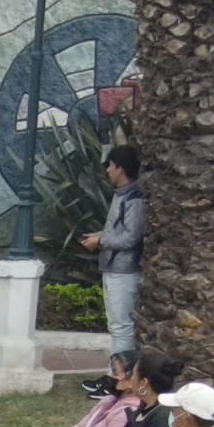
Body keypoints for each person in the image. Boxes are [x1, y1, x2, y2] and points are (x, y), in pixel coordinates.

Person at [80, 146, 143, 358]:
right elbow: (117, 230)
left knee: (121, 327)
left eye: (111, 165)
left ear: (120, 168)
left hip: (124, 271)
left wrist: (101, 239)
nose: (107, 170)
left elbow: (131, 237)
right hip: (112, 268)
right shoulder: (120, 195)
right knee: (115, 326)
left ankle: (118, 377)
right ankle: (113, 373)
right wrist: (98, 236)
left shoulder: (133, 198)